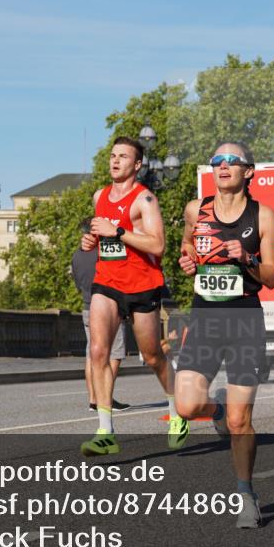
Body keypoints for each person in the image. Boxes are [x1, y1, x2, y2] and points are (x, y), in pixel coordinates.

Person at [174, 141, 274, 529]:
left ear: (248, 172)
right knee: (186, 406)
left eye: (233, 161)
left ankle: (246, 495)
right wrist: (187, 258)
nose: (223, 165)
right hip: (204, 319)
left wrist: (246, 258)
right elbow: (189, 243)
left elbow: (272, 276)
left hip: (244, 322)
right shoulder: (195, 209)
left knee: (241, 421)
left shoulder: (263, 216)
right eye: (218, 160)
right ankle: (213, 411)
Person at [79, 136, 187, 456]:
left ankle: (178, 410)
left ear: (137, 165)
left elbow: (158, 245)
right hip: (107, 282)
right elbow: (103, 236)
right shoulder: (99, 195)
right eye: (112, 155)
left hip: (142, 286)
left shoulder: (146, 200)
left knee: (153, 355)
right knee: (98, 351)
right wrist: (91, 241)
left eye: (123, 156)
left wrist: (119, 232)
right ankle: (105, 432)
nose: (115, 161)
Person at [71, 217, 130, 413]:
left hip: (87, 307)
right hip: (109, 308)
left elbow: (78, 282)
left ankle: (94, 400)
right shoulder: (106, 252)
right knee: (114, 355)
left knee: (92, 355)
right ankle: (106, 399)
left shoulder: (77, 255)